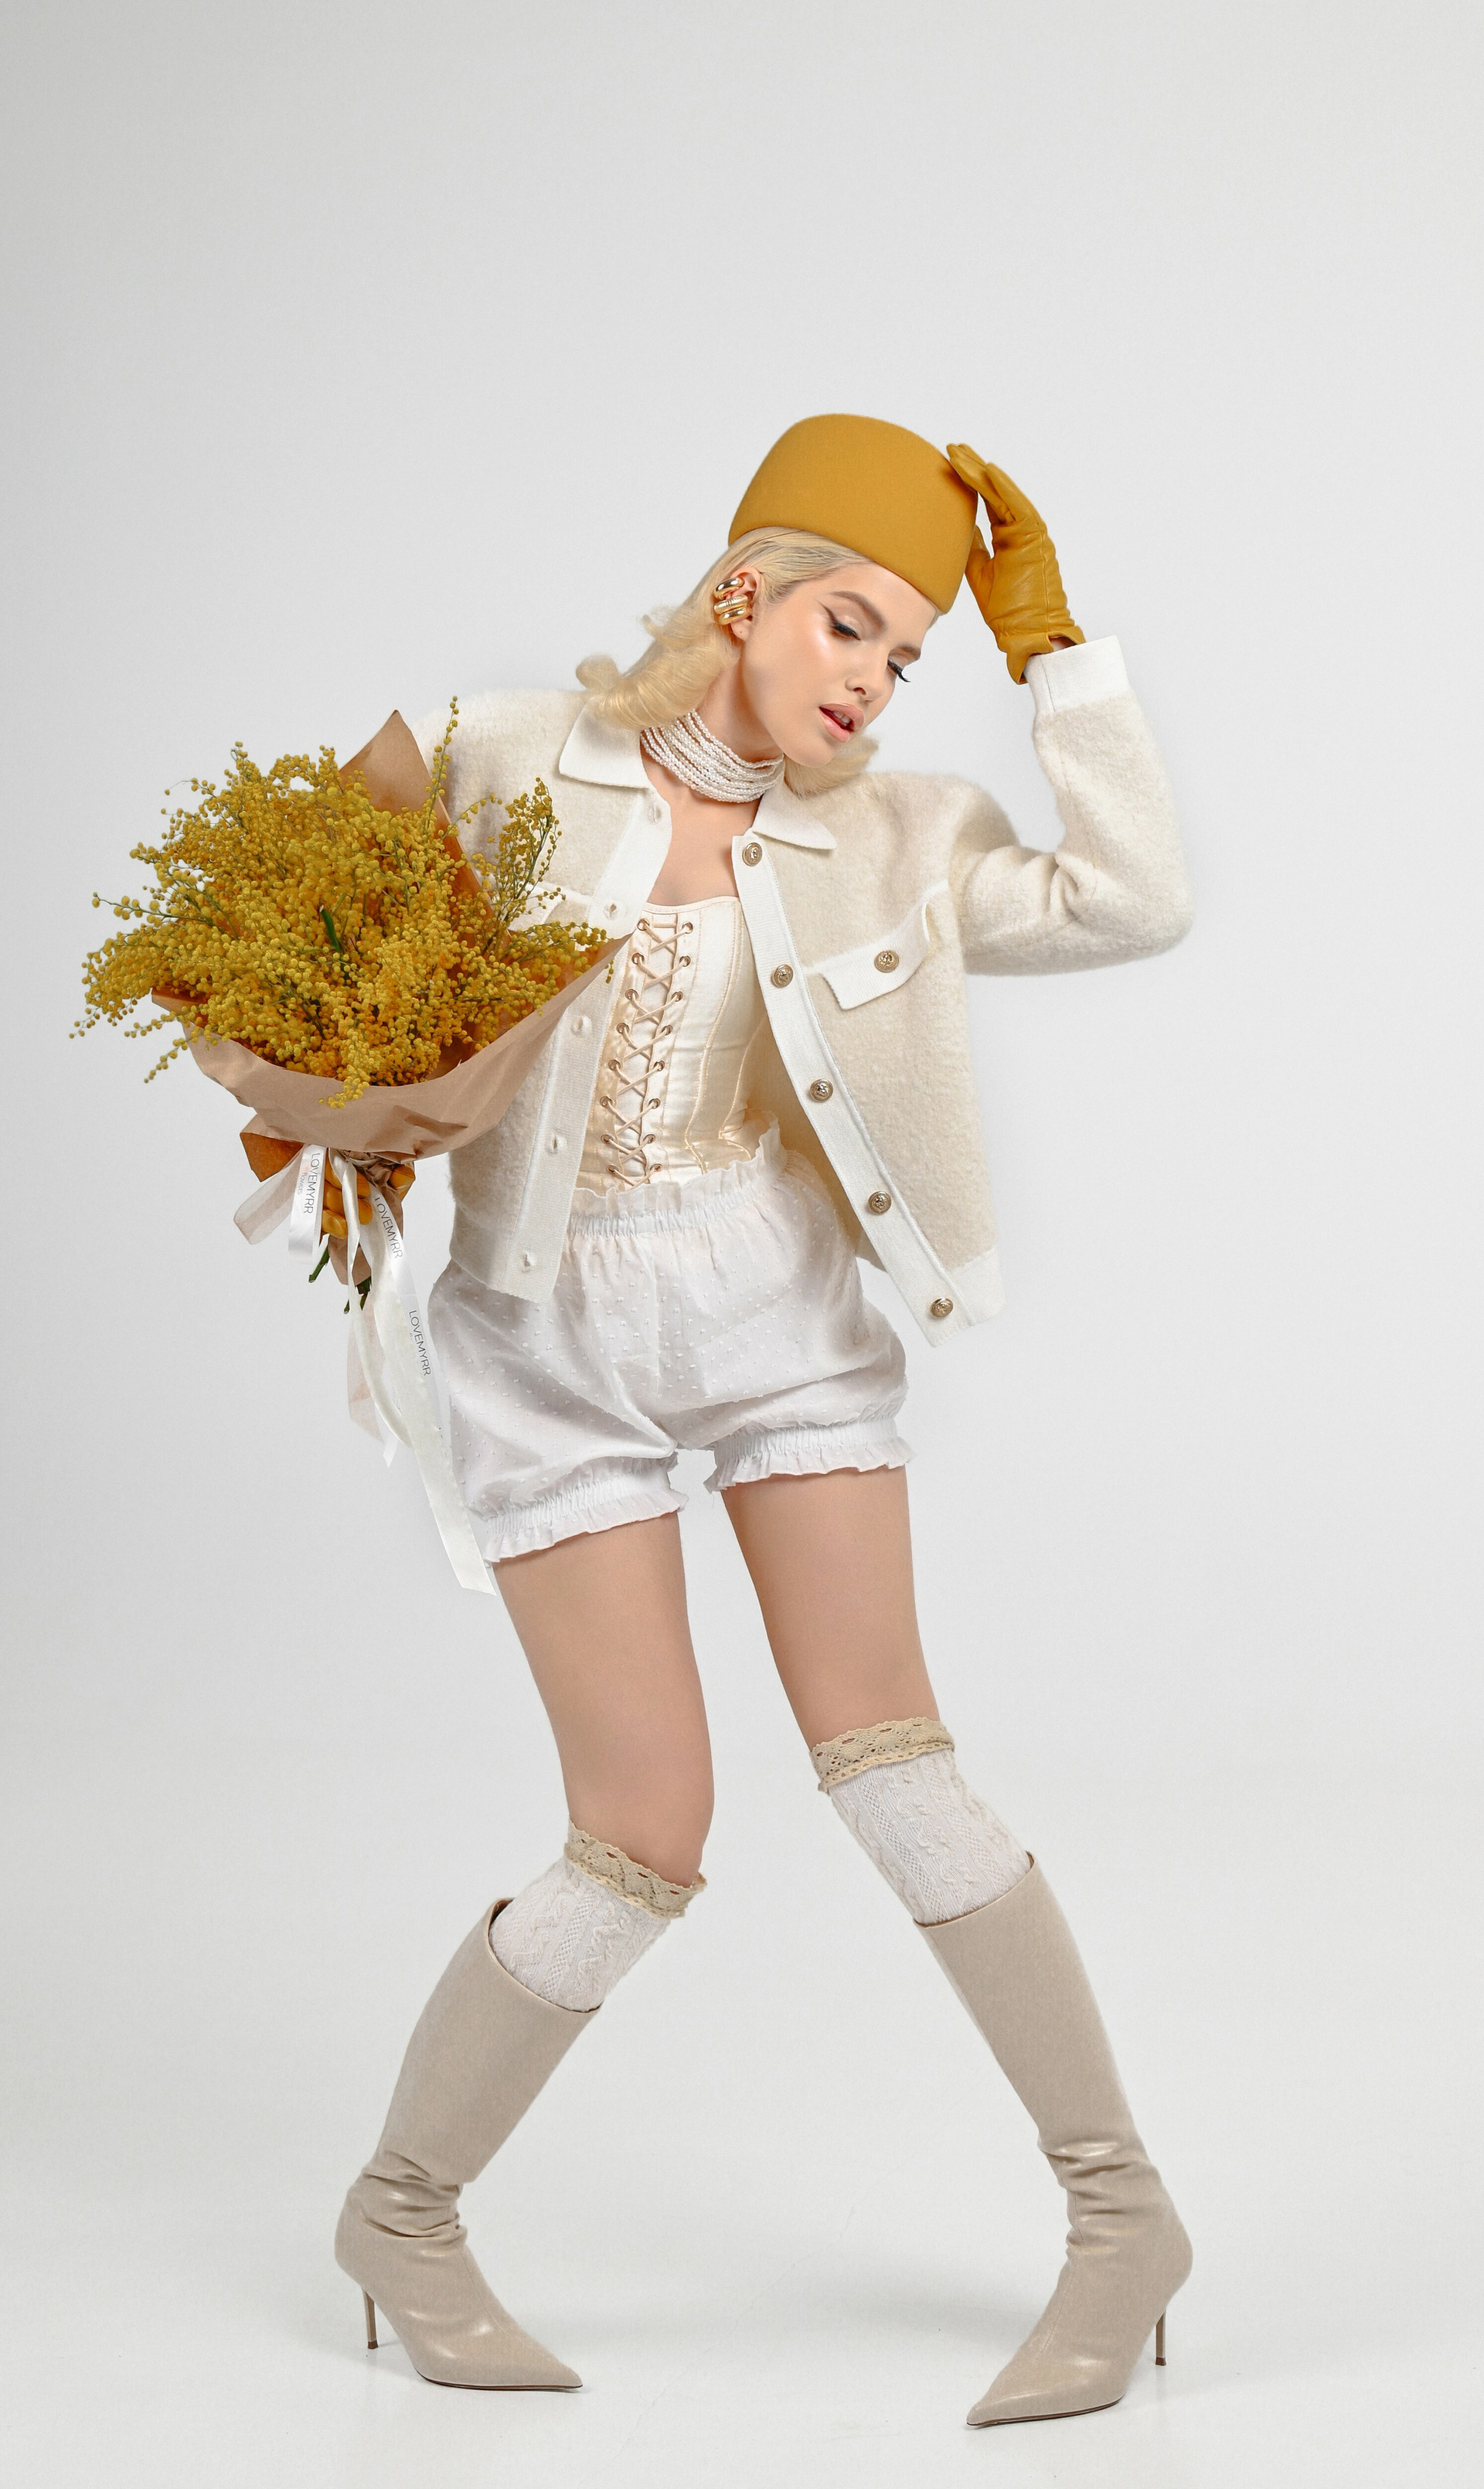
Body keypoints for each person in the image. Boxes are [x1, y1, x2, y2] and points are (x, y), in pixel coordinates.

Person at [332, 415, 1194, 2429]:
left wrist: (1056, 651)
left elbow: (1136, 898)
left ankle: (1124, 2215)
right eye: (850, 625)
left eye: (908, 656)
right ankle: (400, 2212)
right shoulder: (503, 751)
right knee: (640, 1834)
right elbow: (289, 941)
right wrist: (323, 1112)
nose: (874, 682)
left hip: (779, 1323)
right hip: (539, 1342)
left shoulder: (897, 832)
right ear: (744, 594)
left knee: (896, 1769)